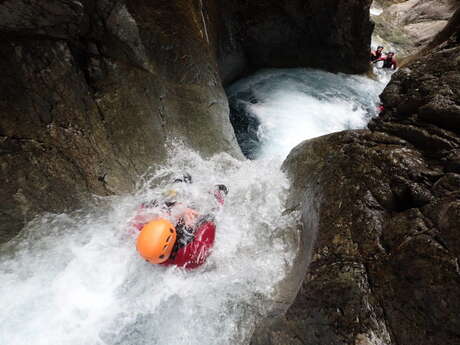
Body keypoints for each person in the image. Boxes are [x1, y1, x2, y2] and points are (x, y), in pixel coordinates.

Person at [134, 174, 228, 268]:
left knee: (160, 205)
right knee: (205, 215)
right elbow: (210, 219)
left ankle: (176, 191)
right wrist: (189, 227)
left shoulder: (144, 239)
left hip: (163, 247)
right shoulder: (194, 253)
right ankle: (219, 196)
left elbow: (148, 206)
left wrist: (177, 209)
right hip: (188, 248)